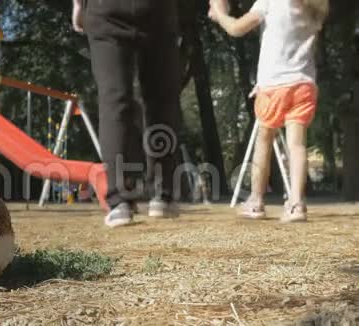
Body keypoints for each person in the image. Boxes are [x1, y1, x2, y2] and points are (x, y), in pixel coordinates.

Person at [209, 0, 329, 222]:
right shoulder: (315, 8)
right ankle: (296, 203)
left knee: (263, 139)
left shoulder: (269, 2)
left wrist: (219, 13)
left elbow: (236, 29)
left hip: (274, 86)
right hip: (304, 84)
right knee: (297, 145)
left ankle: (255, 201)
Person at [72, 0, 182, 227]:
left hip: (104, 9)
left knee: (114, 99)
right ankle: (163, 195)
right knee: (160, 99)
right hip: (157, 9)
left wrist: (78, 6)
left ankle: (119, 201)